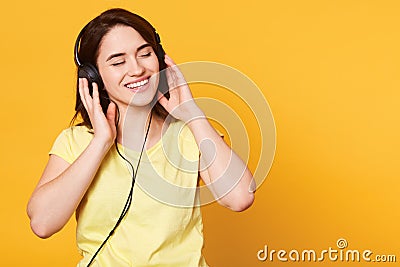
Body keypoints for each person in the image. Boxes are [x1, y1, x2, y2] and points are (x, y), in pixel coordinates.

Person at [27, 8, 255, 267]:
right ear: (93, 76)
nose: (137, 69)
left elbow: (240, 197)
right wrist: (101, 142)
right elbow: (43, 223)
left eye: (145, 54)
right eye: (118, 61)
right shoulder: (76, 141)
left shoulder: (189, 134)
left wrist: (193, 114)